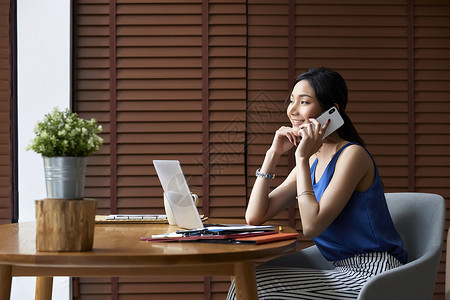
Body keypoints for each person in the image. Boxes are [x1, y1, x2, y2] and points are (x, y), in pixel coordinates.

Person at [227, 67, 407, 299]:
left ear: (331, 111)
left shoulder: (352, 155)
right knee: (246, 281)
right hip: (338, 268)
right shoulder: (312, 160)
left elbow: (311, 227)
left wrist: (300, 158)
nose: (292, 110)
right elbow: (254, 216)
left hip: (373, 273)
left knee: (258, 286)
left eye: (304, 102)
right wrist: (273, 154)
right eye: (291, 101)